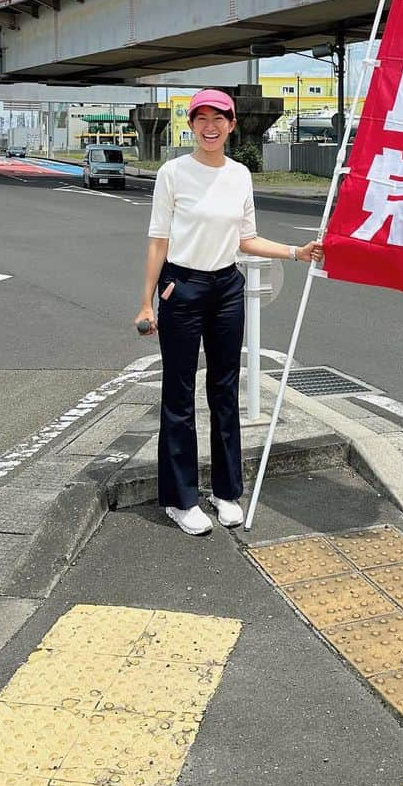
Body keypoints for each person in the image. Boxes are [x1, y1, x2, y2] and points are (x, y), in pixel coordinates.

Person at [135, 89, 322, 536]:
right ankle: (180, 500)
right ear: (191, 125)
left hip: (226, 288)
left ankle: (225, 492)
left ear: (232, 125)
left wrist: (296, 251)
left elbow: (246, 238)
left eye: (218, 118)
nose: (209, 126)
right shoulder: (173, 173)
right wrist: (147, 300)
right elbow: (158, 240)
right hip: (182, 286)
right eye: (201, 118)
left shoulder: (239, 175)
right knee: (179, 395)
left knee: (225, 390)